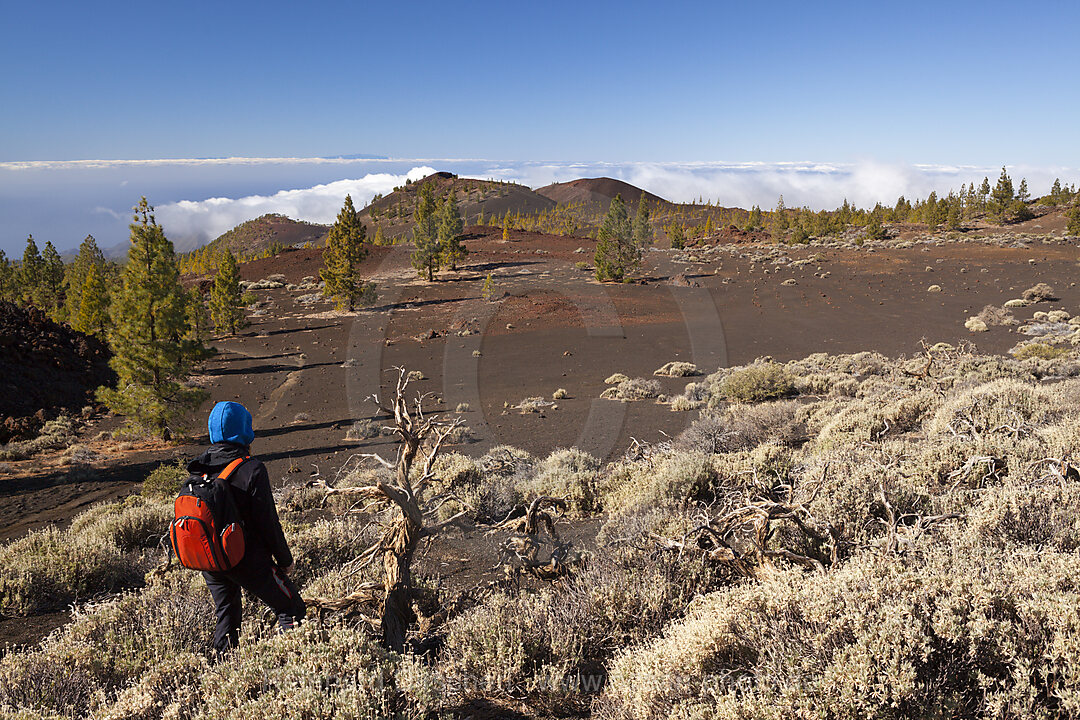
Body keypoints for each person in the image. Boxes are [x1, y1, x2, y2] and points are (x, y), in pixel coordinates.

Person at [189, 400, 305, 653]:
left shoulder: (198, 471)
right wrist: (284, 560)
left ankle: (222, 671)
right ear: (244, 429)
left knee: (227, 615)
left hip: (211, 560)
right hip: (245, 558)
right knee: (291, 609)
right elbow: (268, 523)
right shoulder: (251, 469)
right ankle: (296, 670)